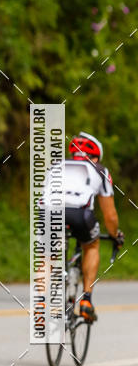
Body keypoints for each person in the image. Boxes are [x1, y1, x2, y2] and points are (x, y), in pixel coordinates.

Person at [65, 132, 123, 321]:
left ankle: (42, 299)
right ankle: (86, 300)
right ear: (95, 156)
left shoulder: (56, 166)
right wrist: (114, 235)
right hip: (80, 215)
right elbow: (110, 215)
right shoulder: (99, 170)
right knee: (91, 245)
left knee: (47, 249)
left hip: (48, 213)